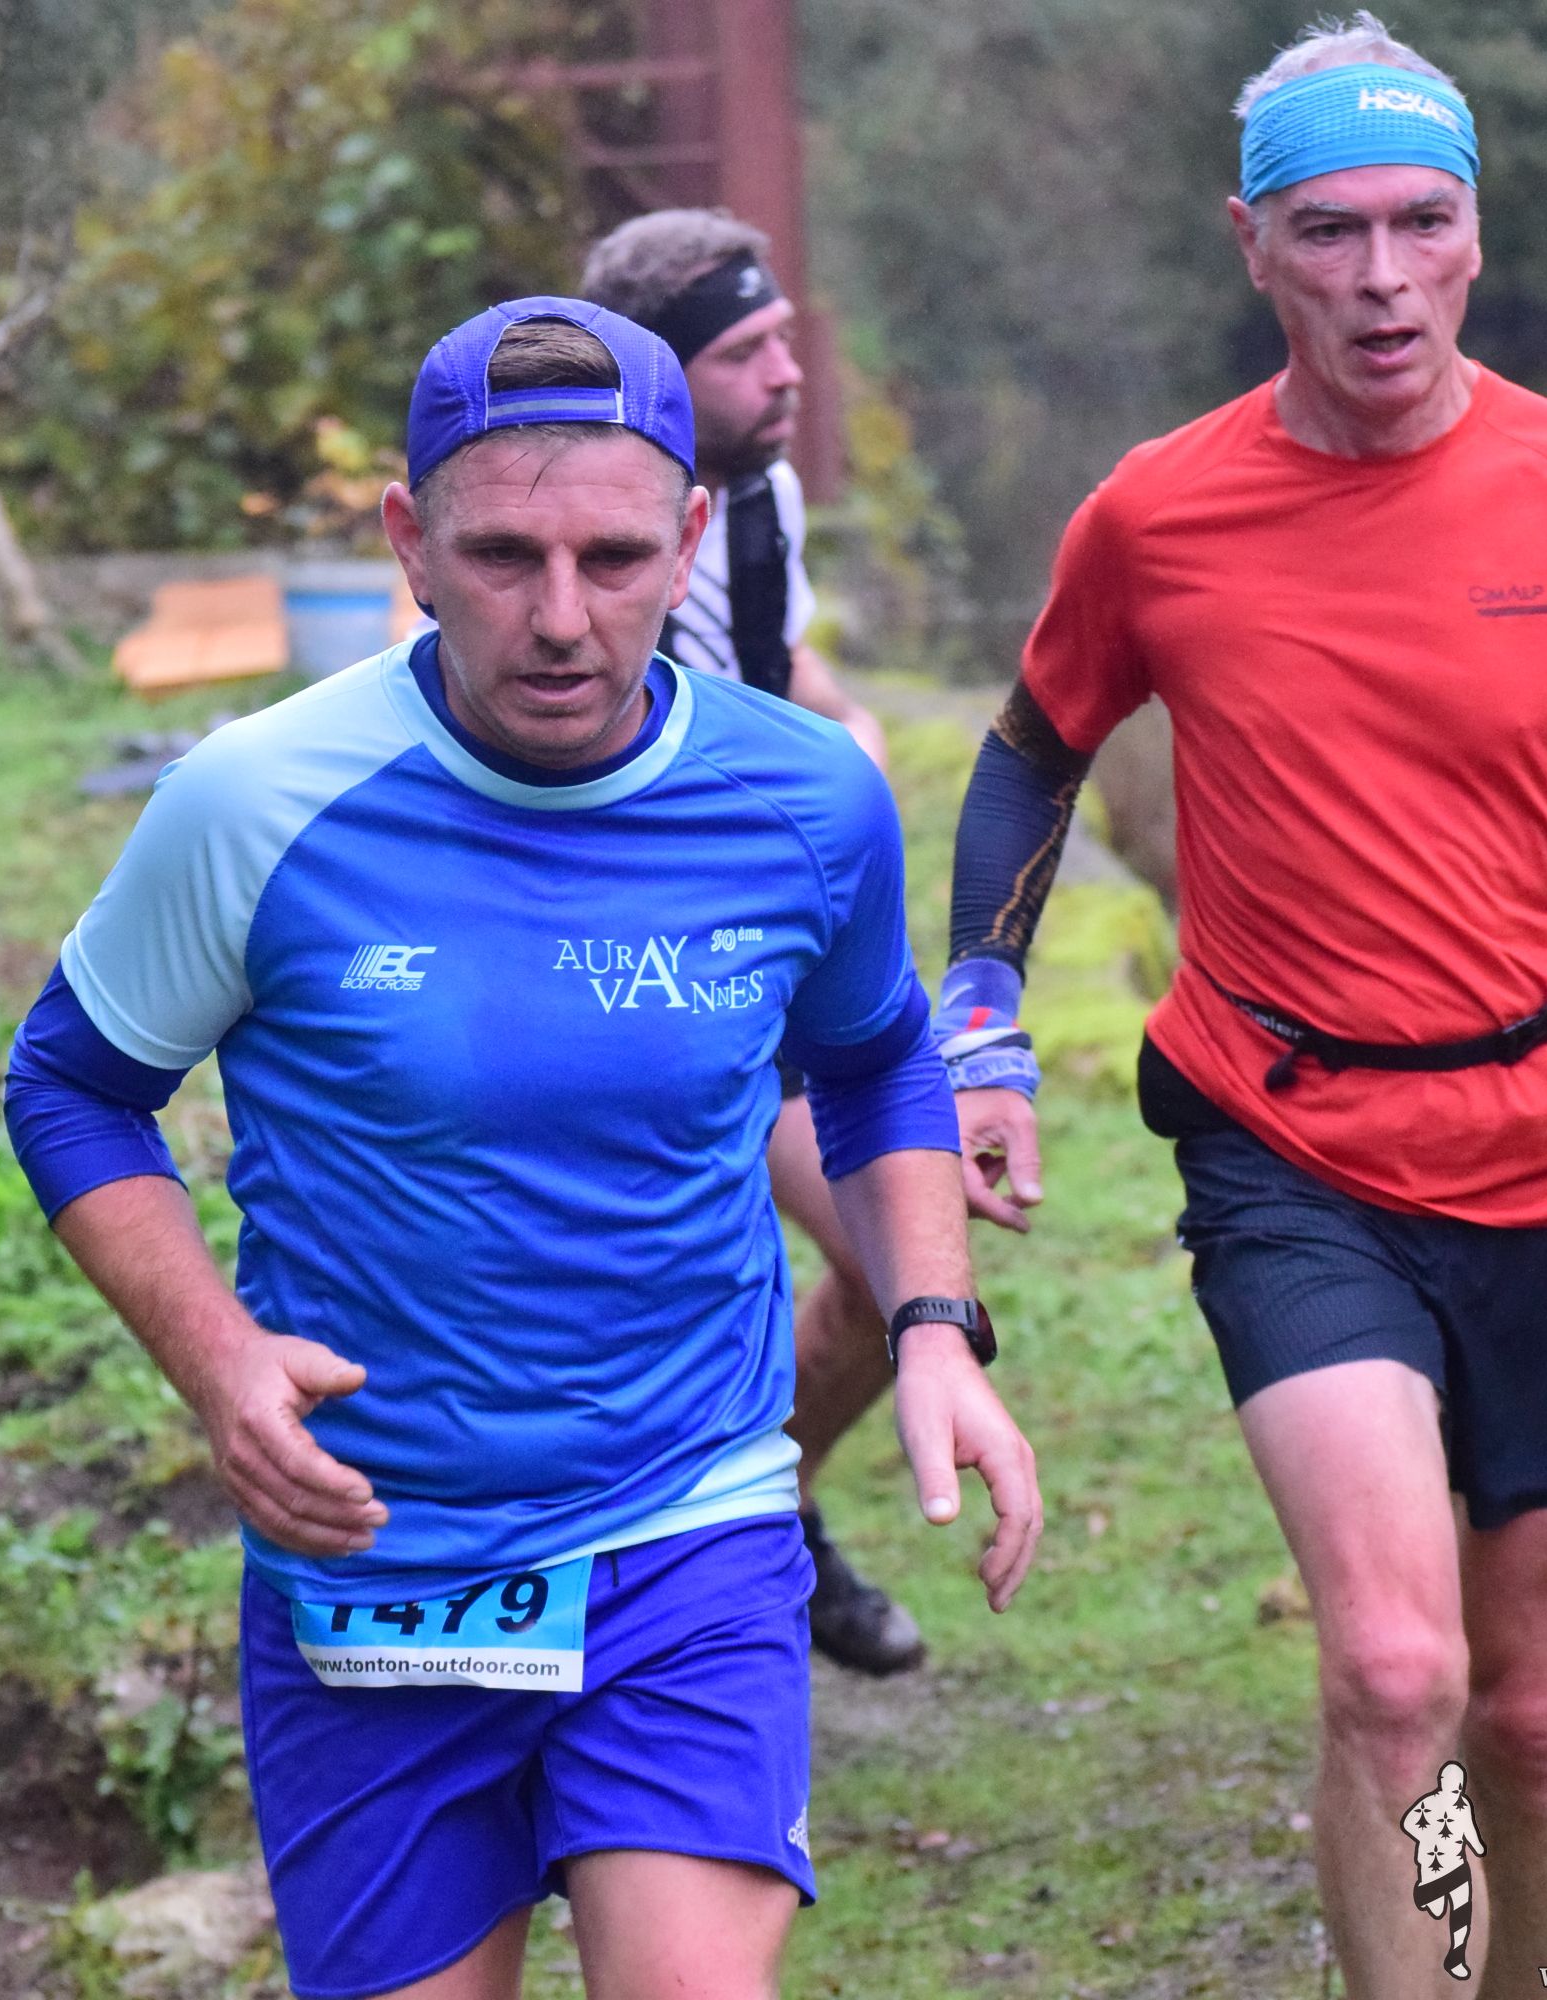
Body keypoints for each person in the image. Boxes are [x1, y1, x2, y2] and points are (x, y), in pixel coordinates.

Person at [934, 15, 1547, 1995]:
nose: (1380, 279)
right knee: (1396, 1670)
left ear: (1475, 233)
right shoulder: (1156, 516)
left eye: (1419, 223)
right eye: (1328, 231)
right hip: (1288, 1139)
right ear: (1251, 246)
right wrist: (980, 1022)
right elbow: (1032, 758)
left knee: (1531, 1702)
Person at [5, 296, 1041, 2000]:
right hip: (376, 1553)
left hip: (685, 1519)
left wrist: (932, 1327)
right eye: (502, 557)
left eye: (616, 559)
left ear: (689, 540)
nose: (562, 618)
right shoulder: (256, 801)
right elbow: (69, 1087)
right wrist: (218, 1360)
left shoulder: (803, 798)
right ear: (409, 542)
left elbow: (872, 1065)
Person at [582, 209, 923, 1677]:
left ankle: (766, 1515)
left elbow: (765, 653)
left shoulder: (762, 495)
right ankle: (659, 1582)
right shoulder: (586, 527)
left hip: (765, 964)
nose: (790, 370)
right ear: (660, 380)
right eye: (746, 351)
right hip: (613, 981)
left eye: (785, 336)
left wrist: (842, 722)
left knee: (904, 1277)